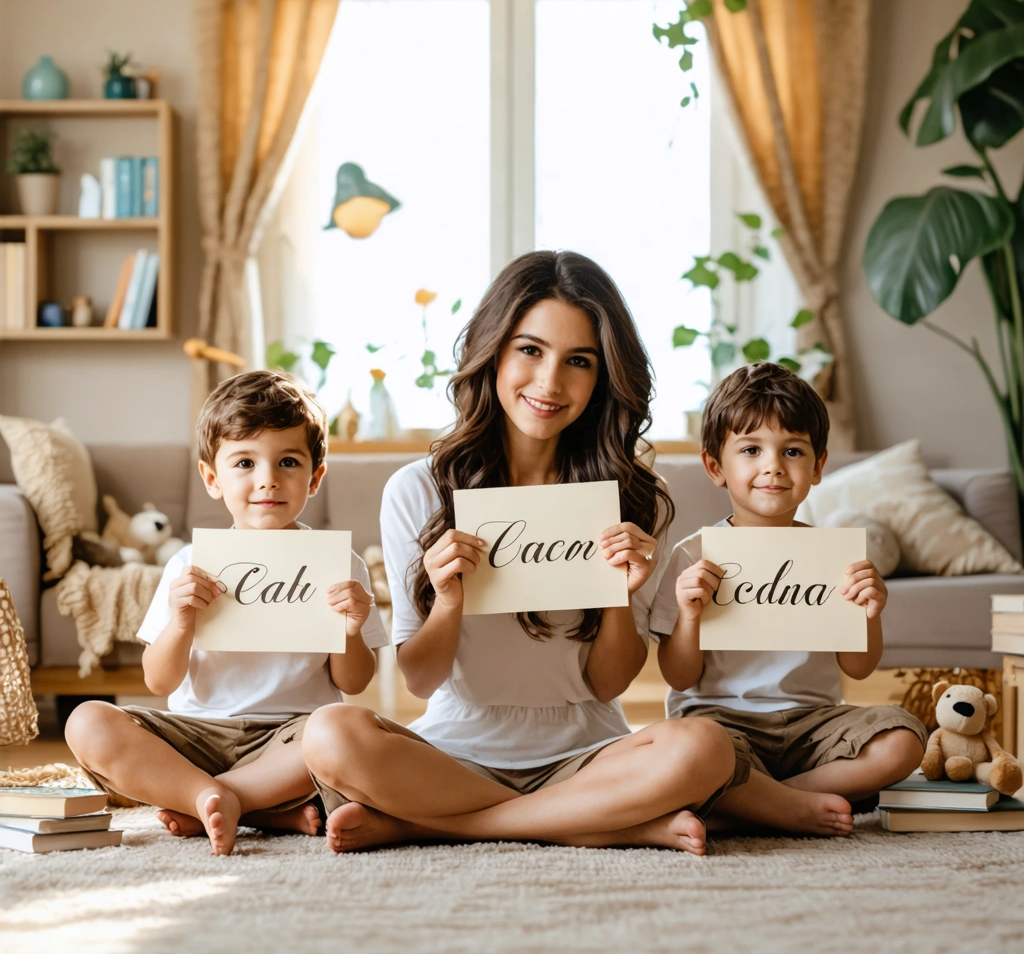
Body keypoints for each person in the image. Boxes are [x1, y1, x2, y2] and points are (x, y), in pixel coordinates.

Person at [302, 249, 736, 855]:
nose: (550, 383)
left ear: (604, 376)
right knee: (328, 734)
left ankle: (437, 825)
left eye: (578, 361)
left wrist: (619, 595)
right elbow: (421, 679)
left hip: (587, 754)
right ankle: (598, 825)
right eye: (530, 350)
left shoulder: (637, 496)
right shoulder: (418, 489)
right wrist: (448, 601)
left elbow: (609, 683)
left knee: (707, 746)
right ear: (493, 351)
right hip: (454, 755)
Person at [65, 371, 389, 855]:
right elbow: (159, 682)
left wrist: (352, 630)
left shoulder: (339, 565)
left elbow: (356, 681)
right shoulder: (189, 564)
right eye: (244, 462)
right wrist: (180, 623)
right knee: (87, 723)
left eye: (288, 462)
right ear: (212, 479)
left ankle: (213, 799)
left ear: (315, 476)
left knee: (350, 734)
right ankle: (241, 803)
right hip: (197, 734)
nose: (267, 480)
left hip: (292, 737)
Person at [650, 362, 926, 837]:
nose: (773, 466)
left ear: (818, 467)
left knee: (903, 740)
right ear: (716, 467)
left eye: (793, 450)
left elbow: (858, 668)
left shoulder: (834, 556)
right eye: (751, 450)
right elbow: (679, 675)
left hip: (813, 725)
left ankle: (762, 801)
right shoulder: (692, 556)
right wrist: (691, 616)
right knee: (687, 749)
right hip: (722, 724)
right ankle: (775, 801)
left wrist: (870, 612)